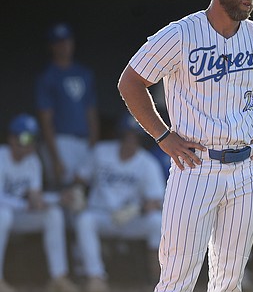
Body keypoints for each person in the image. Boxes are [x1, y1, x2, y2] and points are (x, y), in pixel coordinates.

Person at [116, 0, 253, 292]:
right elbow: (131, 82)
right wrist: (162, 136)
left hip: (248, 168)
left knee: (229, 281)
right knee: (177, 279)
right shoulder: (181, 34)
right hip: (195, 166)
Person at [64, 114, 165, 292]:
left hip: (129, 218)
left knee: (157, 222)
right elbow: (80, 178)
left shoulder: (147, 163)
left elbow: (157, 201)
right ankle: (96, 277)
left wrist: (137, 209)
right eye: (127, 136)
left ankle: (157, 279)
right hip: (101, 214)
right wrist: (77, 192)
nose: (130, 141)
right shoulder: (101, 151)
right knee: (84, 220)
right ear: (120, 136)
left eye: (134, 137)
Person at [0, 114, 79, 292]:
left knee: (53, 214)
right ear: (12, 139)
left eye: (33, 139)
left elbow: (35, 198)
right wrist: (26, 204)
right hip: (4, 215)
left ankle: (58, 277)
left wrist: (58, 198)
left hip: (18, 216)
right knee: (2, 215)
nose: (29, 144)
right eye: (24, 138)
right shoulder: (1, 157)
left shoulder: (33, 161)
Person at [36, 22, 99, 188]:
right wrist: (55, 158)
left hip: (84, 140)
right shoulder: (48, 76)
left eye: (67, 41)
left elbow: (91, 112)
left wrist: (93, 144)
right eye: (59, 42)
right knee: (62, 188)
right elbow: (45, 120)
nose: (64, 46)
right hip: (60, 140)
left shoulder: (84, 73)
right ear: (52, 46)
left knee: (83, 190)